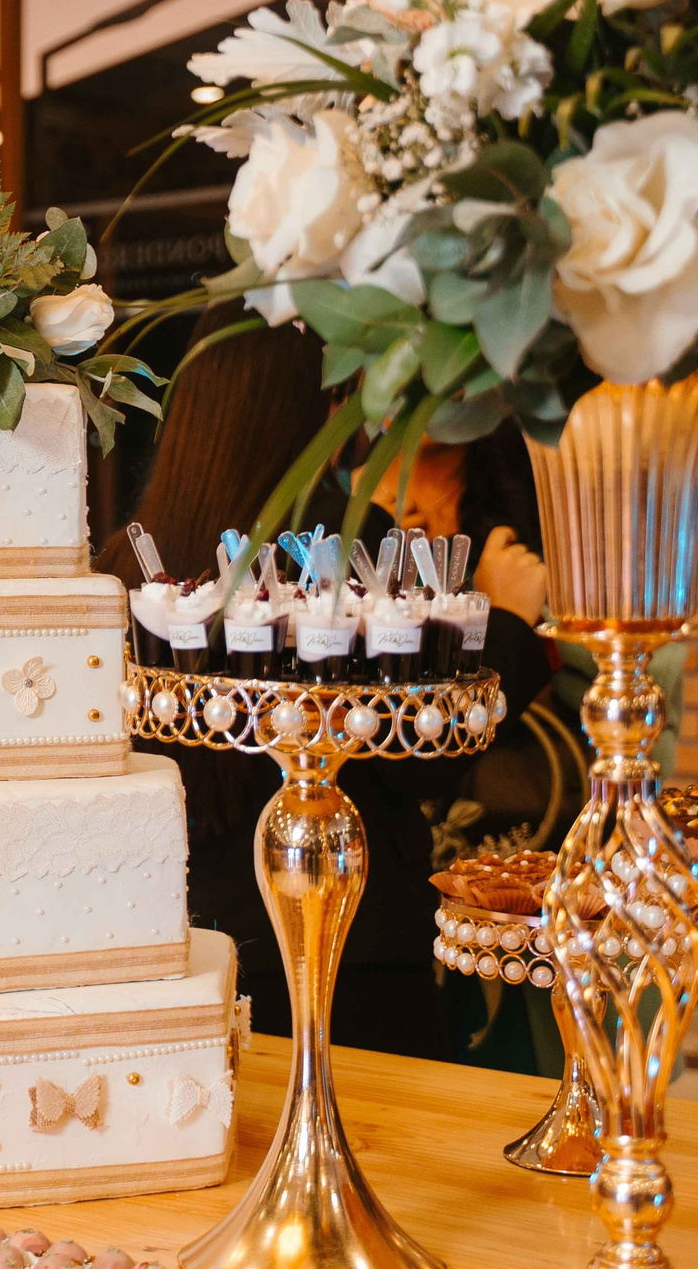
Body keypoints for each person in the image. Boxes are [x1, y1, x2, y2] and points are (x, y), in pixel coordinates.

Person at [100, 306, 555, 1063]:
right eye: (348, 388)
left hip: (177, 944)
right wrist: (507, 618)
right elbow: (422, 750)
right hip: (351, 947)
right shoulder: (344, 550)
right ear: (316, 410)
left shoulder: (124, 562)